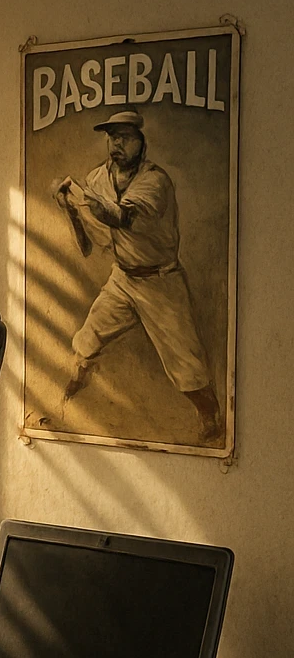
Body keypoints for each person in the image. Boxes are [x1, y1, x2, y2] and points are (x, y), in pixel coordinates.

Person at [53, 109, 222, 444]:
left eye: (126, 137)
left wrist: (83, 199)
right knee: (87, 338)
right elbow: (86, 246)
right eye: (112, 136)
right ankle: (78, 381)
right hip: (123, 279)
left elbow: (118, 216)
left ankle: (209, 413)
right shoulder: (97, 179)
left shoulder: (155, 181)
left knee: (186, 366)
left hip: (161, 282)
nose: (117, 144)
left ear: (142, 143)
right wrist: (70, 210)